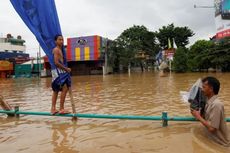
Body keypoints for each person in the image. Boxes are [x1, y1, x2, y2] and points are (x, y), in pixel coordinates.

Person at [191, 76, 230, 147]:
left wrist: (198, 117)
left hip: (222, 144)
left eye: (204, 87)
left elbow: (212, 128)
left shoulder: (216, 104)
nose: (202, 90)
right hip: (213, 140)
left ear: (211, 89)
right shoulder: (208, 102)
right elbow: (207, 119)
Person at [51, 35, 71, 115]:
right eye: (59, 40)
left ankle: (53, 109)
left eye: (62, 40)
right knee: (65, 87)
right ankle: (61, 108)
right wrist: (66, 69)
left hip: (57, 72)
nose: (62, 41)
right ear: (55, 41)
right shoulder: (56, 50)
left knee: (56, 90)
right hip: (58, 72)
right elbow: (56, 62)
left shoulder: (60, 50)